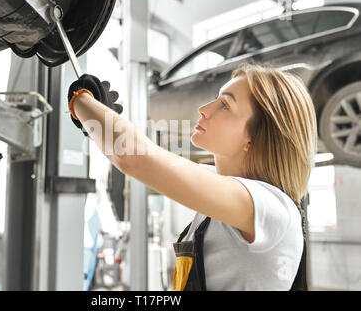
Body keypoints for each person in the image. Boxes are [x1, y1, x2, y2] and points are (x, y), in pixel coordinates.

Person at [67, 63, 317, 291]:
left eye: (225, 105)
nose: (204, 109)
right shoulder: (226, 195)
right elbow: (148, 158)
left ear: (255, 137)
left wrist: (81, 102)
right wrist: (100, 122)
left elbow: (134, 157)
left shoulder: (270, 207)